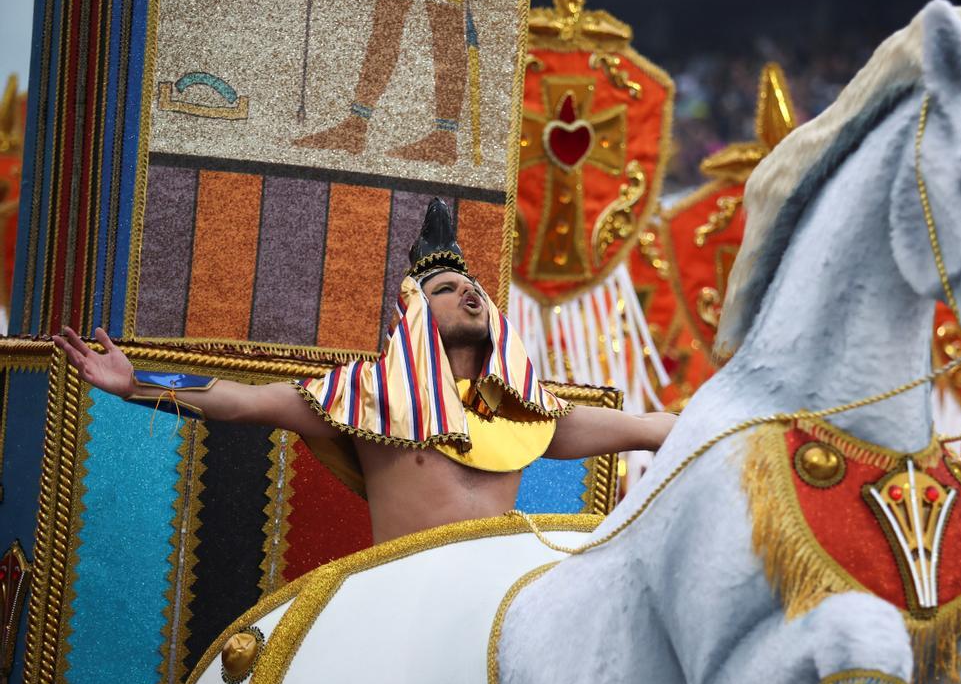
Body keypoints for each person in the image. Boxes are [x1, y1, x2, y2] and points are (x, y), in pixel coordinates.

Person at [52, 199, 675, 543]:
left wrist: (683, 425)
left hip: (499, 596)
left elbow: (646, 427)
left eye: (474, 287)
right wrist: (137, 385)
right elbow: (243, 402)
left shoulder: (525, 411)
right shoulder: (365, 395)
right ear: (414, 313)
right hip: (401, 596)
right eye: (450, 288)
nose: (471, 295)